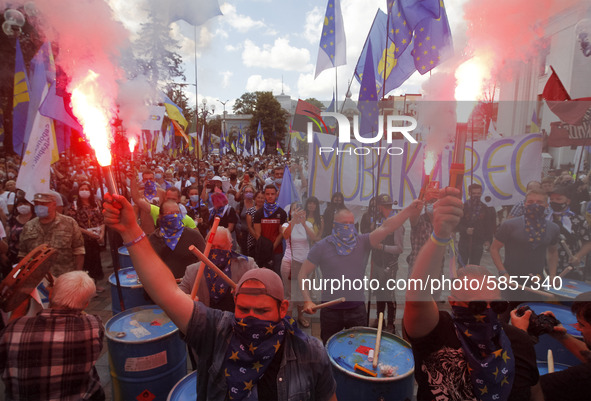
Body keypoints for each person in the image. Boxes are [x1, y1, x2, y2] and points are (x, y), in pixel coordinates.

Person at [102, 194, 337, 401]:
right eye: (244, 310)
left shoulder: (309, 352)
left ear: (283, 308)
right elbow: (166, 291)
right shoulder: (216, 331)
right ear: (235, 302)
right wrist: (131, 231)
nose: (251, 318)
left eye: (263, 311)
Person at [404, 187, 540, 401]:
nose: (487, 311)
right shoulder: (437, 333)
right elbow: (417, 294)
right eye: (476, 306)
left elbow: (535, 394)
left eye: (496, 306)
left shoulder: (519, 343)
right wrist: (440, 235)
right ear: (452, 303)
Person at [300, 201, 422, 344]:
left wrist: (407, 210)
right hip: (330, 311)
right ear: (335, 224)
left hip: (356, 310)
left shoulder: (362, 241)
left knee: (358, 347)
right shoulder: (321, 246)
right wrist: (307, 300)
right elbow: (303, 274)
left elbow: (387, 226)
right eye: (344, 223)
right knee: (330, 347)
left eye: (351, 223)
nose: (348, 226)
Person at [0, 271, 104, 401]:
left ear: (50, 295)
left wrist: (23, 297)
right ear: (86, 304)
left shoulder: (14, 328)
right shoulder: (94, 325)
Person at [526, 293, 591, 400]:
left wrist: (521, 339)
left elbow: (528, 392)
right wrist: (562, 337)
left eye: (582, 325)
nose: (578, 329)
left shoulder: (582, 377)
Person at [179, 227, 257, 312]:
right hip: (206, 322)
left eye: (220, 247)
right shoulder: (193, 271)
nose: (215, 251)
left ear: (230, 247)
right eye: (212, 247)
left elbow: (263, 287)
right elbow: (178, 297)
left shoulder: (246, 265)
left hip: (237, 320)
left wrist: (248, 290)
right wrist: (186, 301)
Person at [490, 189, 560, 280]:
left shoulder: (553, 228)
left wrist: (552, 275)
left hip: (537, 279)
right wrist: (503, 272)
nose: (535, 205)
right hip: (511, 279)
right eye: (530, 202)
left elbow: (553, 251)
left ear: (547, 205)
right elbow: (494, 248)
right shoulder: (510, 225)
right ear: (525, 204)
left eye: (539, 202)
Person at [18, 193, 85, 277]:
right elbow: (23, 253)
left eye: (43, 204)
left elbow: (78, 250)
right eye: (36, 204)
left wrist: (78, 275)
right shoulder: (28, 226)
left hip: (64, 276)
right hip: (37, 279)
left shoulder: (69, 223)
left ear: (54, 205)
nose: (39, 207)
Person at [371, 194, 404, 333]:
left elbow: (399, 248)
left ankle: (391, 323)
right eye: (385, 206)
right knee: (378, 293)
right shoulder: (377, 220)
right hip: (377, 262)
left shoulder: (396, 223)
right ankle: (380, 320)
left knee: (389, 294)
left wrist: (382, 247)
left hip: (389, 264)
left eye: (389, 206)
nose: (387, 208)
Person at [148, 200, 206, 279]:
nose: (175, 216)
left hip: (187, 286)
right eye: (170, 213)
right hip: (161, 286)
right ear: (161, 216)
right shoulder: (153, 238)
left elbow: (205, 263)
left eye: (177, 212)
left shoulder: (193, 235)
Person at [280, 203, 316, 328]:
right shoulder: (286, 225)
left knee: (303, 291)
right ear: (290, 212)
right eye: (295, 210)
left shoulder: (309, 224)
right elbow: (285, 235)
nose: (298, 212)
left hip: (305, 263)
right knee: (289, 292)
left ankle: (301, 316)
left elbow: (313, 237)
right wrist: (294, 221)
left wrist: (304, 223)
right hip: (290, 262)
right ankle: (288, 319)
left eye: (300, 210)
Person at [67, 182, 105, 290]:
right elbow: (73, 224)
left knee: (95, 261)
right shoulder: (74, 206)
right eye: (82, 189)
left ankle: (95, 283)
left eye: (86, 189)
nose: (84, 191)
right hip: (82, 238)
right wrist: (88, 233)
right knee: (85, 262)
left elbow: (102, 220)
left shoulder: (96, 204)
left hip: (95, 238)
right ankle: (85, 286)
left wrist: (101, 233)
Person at [547, 184, 591, 278]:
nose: (554, 202)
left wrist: (578, 256)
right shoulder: (543, 218)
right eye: (552, 199)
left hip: (568, 268)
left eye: (559, 199)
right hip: (544, 267)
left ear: (568, 201)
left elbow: (588, 241)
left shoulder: (579, 220)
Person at [457, 184, 496, 265]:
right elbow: (458, 223)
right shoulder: (463, 207)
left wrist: (488, 240)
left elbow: (488, 225)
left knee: (475, 265)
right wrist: (465, 230)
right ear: (469, 194)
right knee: (462, 265)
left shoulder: (485, 208)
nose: (476, 195)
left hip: (478, 242)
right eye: (474, 193)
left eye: (478, 193)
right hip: (464, 241)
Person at [253, 184, 287, 274]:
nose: (270, 196)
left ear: (277, 194)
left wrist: (272, 248)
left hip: (277, 251)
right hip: (263, 251)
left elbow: (281, 233)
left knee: (277, 274)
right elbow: (257, 234)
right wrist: (266, 249)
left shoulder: (282, 213)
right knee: (263, 275)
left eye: (272, 194)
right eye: (268, 194)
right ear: (264, 195)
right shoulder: (259, 213)